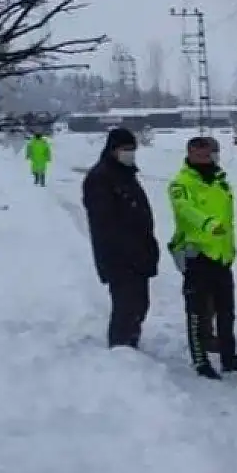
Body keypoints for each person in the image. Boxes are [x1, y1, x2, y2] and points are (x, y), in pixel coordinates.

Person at [168, 136, 237, 378]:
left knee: (226, 311)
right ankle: (201, 361)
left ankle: (229, 357)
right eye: (202, 155)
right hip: (198, 255)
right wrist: (207, 224)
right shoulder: (181, 183)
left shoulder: (220, 181)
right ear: (191, 155)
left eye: (211, 155)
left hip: (222, 256)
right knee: (197, 312)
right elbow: (185, 210)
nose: (208, 159)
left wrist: (230, 249)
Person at [82, 128, 160, 348]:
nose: (130, 153)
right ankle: (121, 350)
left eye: (132, 149)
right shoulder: (101, 178)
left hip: (137, 254)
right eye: (125, 149)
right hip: (119, 256)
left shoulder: (125, 174)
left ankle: (130, 346)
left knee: (139, 305)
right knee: (127, 306)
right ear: (112, 150)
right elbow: (104, 223)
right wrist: (124, 250)